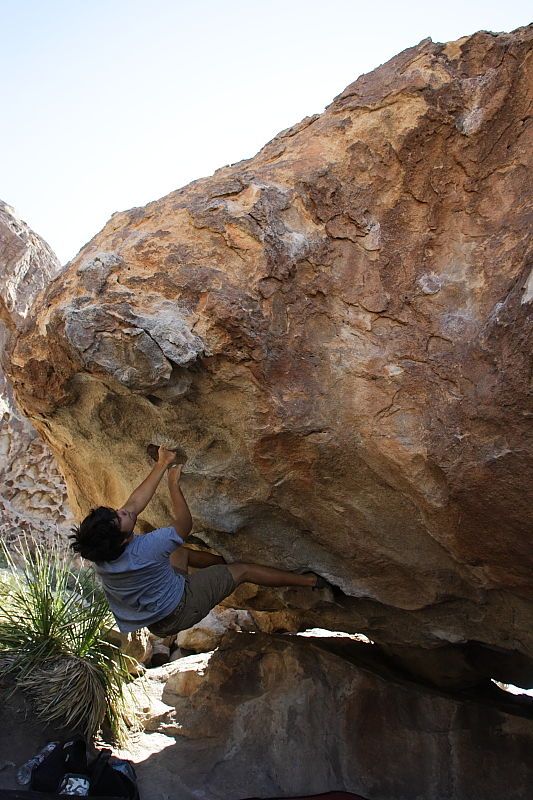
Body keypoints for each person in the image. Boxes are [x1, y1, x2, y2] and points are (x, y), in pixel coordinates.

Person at [70, 446, 325, 637]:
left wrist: (162, 464)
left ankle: (221, 566)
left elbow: (134, 505)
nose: (122, 511)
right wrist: (173, 486)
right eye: (119, 518)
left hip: (155, 617)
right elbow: (184, 526)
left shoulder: (102, 552)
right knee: (243, 569)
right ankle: (310, 581)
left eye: (115, 513)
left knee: (179, 554)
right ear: (123, 542)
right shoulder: (146, 549)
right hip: (180, 609)